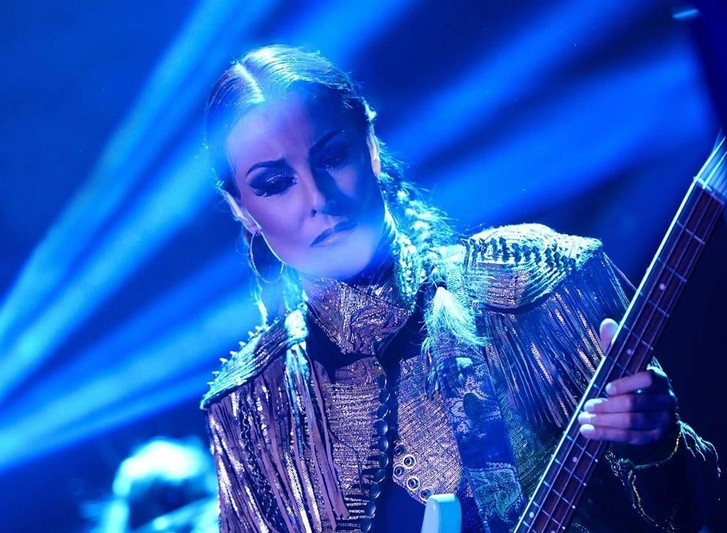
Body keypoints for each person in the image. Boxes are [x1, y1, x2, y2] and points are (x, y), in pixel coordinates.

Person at [201, 45, 719, 532]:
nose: (318, 197)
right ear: (242, 210)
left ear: (371, 147)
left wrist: (658, 451)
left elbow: (702, 507)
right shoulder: (250, 408)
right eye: (275, 183)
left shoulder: (536, 276)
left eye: (333, 156)